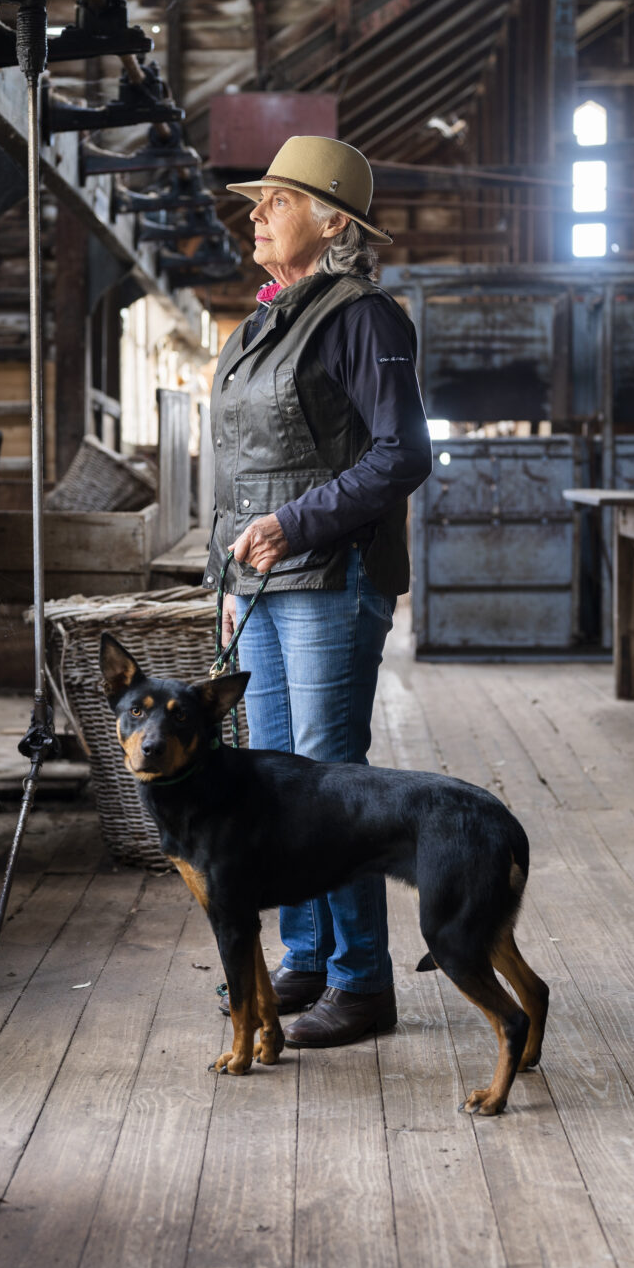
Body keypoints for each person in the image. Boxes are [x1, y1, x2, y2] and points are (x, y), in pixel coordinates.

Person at [203, 136, 433, 1048]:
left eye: (279, 199)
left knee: (330, 780)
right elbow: (239, 471)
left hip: (330, 578)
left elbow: (404, 453)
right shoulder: (264, 319)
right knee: (275, 781)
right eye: (257, 199)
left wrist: (296, 526)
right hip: (259, 583)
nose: (256, 211)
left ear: (333, 220)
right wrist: (226, 574)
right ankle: (302, 959)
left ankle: (362, 981)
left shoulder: (364, 318)